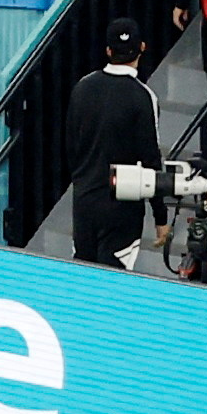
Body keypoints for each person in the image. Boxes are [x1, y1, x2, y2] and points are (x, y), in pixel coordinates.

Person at [53, 21, 163, 268]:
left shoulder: (82, 87)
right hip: (122, 208)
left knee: (83, 281)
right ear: (142, 48)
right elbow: (151, 160)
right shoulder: (144, 97)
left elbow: (70, 147)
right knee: (113, 284)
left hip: (85, 203)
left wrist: (82, 183)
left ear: (108, 51)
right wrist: (161, 216)